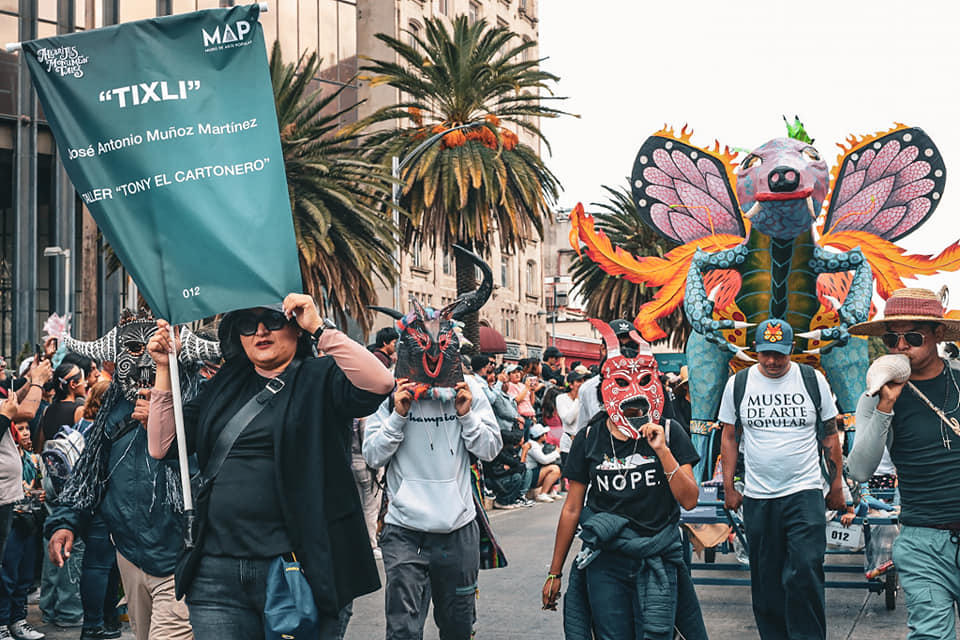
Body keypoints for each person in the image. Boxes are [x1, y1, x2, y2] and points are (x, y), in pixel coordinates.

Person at [146, 294, 393, 640]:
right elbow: (162, 445)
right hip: (216, 572)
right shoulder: (225, 384)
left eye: (273, 320)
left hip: (299, 569)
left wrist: (319, 327)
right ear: (237, 334)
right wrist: (162, 366)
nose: (260, 330)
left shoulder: (321, 377)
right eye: (248, 324)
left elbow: (380, 383)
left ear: (295, 326)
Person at [49, 309, 223, 640]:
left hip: (183, 561)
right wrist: (65, 522)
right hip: (130, 556)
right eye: (131, 350)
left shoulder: (205, 401)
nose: (145, 362)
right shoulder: (113, 410)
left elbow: (213, 476)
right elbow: (90, 472)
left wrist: (166, 429)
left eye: (154, 351)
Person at [542, 319, 706, 639]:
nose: (634, 391)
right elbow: (573, 509)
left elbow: (689, 499)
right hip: (607, 560)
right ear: (605, 386)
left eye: (645, 380)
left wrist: (662, 451)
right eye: (621, 382)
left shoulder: (671, 434)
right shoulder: (589, 437)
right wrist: (554, 572)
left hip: (658, 556)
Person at [363, 332, 501, 639]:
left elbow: (490, 449)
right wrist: (398, 415)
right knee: (403, 631)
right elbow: (372, 454)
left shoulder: (471, 386)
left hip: (458, 530)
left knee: (458, 627)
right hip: (404, 530)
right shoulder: (388, 386)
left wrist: (466, 415)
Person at [718, 318, 844, 640]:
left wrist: (836, 485)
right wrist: (729, 486)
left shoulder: (811, 380)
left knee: (806, 570)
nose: (772, 361)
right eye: (765, 354)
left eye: (779, 354)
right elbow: (730, 436)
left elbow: (830, 436)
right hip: (760, 497)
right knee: (766, 578)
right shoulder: (739, 383)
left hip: (804, 493)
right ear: (756, 351)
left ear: (792, 351)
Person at [847, 288, 960, 639]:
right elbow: (860, 469)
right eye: (891, 338)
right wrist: (885, 406)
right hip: (923, 539)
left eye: (912, 336)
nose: (900, 346)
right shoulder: (877, 396)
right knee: (930, 634)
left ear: (938, 335)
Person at [0, 420, 45, 640]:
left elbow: (38, 485)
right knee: (6, 575)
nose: (25, 433)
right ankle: (2, 622)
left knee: (24, 575)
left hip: (29, 519)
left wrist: (42, 492)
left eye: (27, 428)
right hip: (10, 519)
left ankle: (18, 619)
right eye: (20, 428)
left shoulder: (33, 459)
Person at [37, 362, 87, 452]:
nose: (85, 384)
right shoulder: (79, 411)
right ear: (73, 384)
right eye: (83, 381)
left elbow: (40, 446)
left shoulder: (47, 410)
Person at [522, 423, 561, 502]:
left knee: (556, 465)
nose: (546, 435)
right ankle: (542, 494)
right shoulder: (533, 445)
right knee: (554, 469)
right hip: (528, 475)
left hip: (534, 472)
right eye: (544, 434)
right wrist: (556, 452)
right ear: (541, 436)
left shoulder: (538, 444)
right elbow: (544, 460)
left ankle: (550, 491)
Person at [557, 370, 586, 469]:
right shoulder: (561, 398)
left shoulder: (586, 399)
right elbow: (568, 420)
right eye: (578, 381)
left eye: (583, 381)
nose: (581, 384)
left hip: (583, 442)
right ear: (570, 385)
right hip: (568, 442)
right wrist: (578, 399)